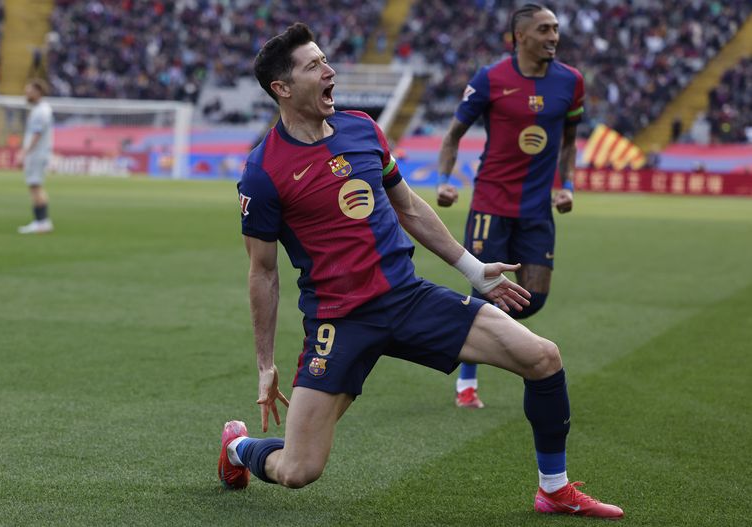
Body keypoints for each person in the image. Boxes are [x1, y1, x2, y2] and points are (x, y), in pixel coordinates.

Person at [220, 22, 623, 519]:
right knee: (298, 470)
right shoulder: (263, 172)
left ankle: (554, 489)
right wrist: (265, 364)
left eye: (326, 60)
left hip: (407, 299)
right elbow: (262, 272)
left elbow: (408, 208)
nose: (330, 71)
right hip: (340, 321)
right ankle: (240, 448)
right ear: (282, 88)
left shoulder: (362, 129)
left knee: (542, 357)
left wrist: (474, 269)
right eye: (314, 66)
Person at [436, 4, 584, 409]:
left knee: (532, 299)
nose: (554, 36)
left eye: (555, 29)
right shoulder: (491, 79)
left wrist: (567, 185)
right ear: (521, 36)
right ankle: (466, 383)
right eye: (544, 29)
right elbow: (453, 135)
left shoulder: (570, 81)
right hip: (490, 203)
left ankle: (478, 337)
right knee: (486, 290)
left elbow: (569, 142)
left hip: (537, 208)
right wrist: (445, 181)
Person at [16, 78, 54, 234]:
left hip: (37, 154)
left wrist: (24, 152)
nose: (27, 94)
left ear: (38, 92)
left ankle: (41, 222)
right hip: (39, 153)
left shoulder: (41, 111)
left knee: (35, 186)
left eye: (29, 91)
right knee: (36, 186)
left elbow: (37, 134)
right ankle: (43, 221)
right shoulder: (42, 109)